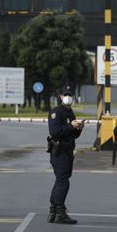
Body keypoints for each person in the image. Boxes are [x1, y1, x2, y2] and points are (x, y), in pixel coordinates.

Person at [47, 86, 84, 224]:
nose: (68, 97)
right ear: (61, 97)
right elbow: (54, 131)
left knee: (61, 180)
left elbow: (72, 134)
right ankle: (60, 212)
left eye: (70, 95)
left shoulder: (70, 112)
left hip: (68, 150)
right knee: (63, 181)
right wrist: (71, 126)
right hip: (60, 151)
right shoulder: (56, 112)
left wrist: (78, 129)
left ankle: (53, 211)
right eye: (65, 95)